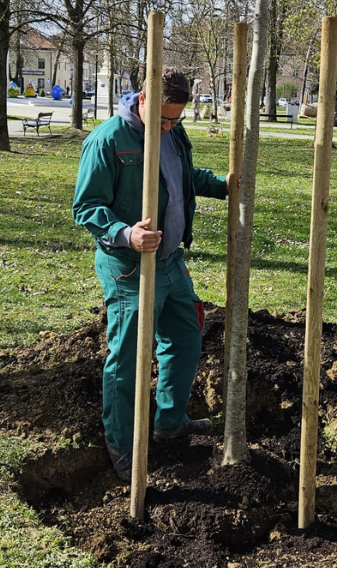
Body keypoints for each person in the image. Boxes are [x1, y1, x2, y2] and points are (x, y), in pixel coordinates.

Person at [73, 69, 229, 481]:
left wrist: (224, 185)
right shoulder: (108, 140)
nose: (167, 126)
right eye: (162, 119)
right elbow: (86, 206)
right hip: (129, 267)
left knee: (185, 334)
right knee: (128, 356)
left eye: (175, 120)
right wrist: (125, 233)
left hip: (171, 261)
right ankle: (122, 444)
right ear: (142, 98)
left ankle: (169, 421)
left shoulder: (173, 133)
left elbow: (184, 178)